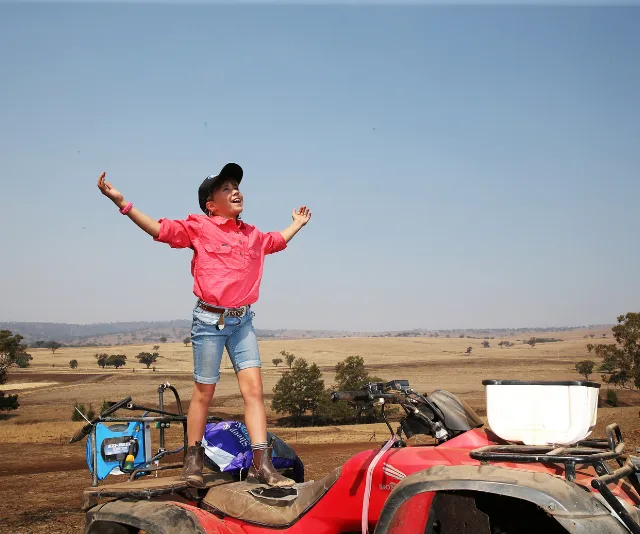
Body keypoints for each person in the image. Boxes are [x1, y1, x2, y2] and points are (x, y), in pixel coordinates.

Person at [96, 163, 311, 488]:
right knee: (204, 392)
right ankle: (193, 459)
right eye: (225, 188)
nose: (235, 191)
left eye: (236, 186)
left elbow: (276, 241)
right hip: (210, 320)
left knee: (254, 391)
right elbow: (159, 230)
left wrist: (295, 224)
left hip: (242, 321)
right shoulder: (198, 227)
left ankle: (261, 463)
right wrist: (122, 203)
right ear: (210, 204)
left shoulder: (252, 234)